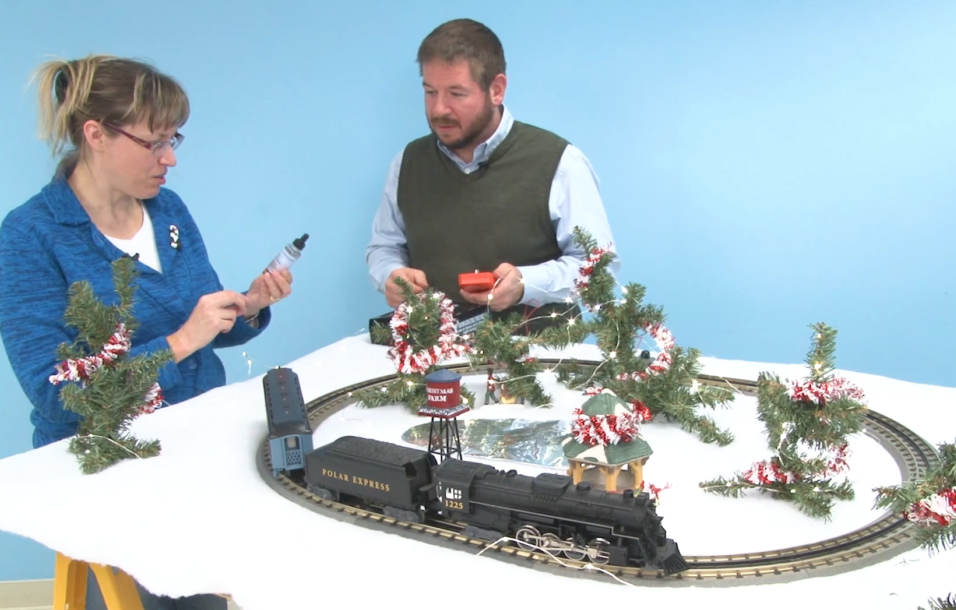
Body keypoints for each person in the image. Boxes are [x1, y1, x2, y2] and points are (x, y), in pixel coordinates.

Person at [0, 54, 294, 610]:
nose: (171, 158)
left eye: (174, 138)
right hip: (109, 474)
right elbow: (55, 390)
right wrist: (180, 342)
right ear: (96, 135)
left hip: (198, 454)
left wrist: (249, 307)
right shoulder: (29, 236)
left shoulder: (168, 211)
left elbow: (204, 326)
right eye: (155, 142)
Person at [365, 18, 619, 329]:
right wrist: (390, 274)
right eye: (430, 92)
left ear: (496, 89)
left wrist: (525, 284)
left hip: (537, 360)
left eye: (456, 94)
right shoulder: (408, 162)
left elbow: (598, 270)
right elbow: (384, 246)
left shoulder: (561, 162)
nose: (439, 109)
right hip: (431, 360)